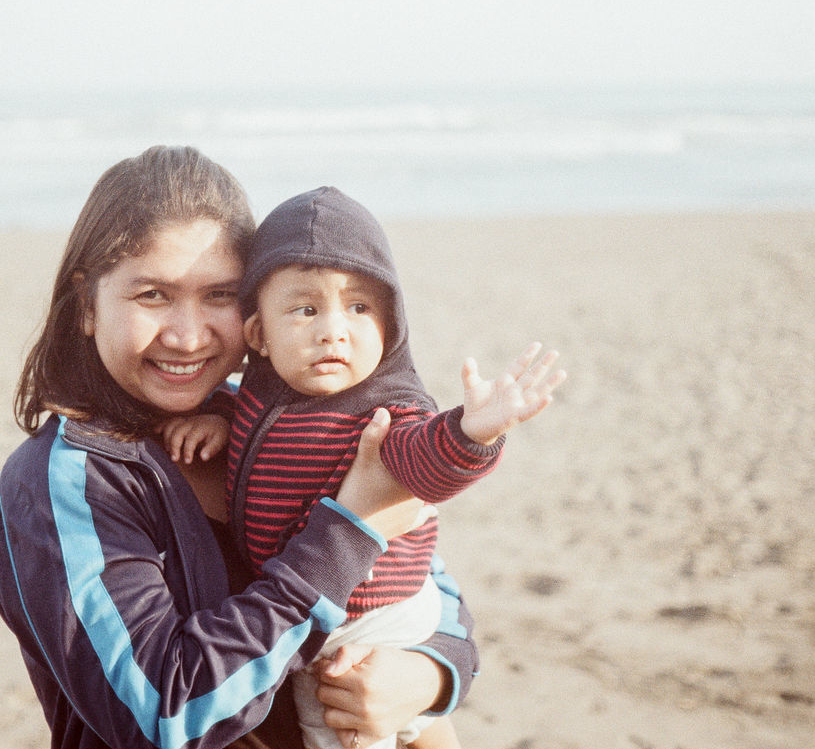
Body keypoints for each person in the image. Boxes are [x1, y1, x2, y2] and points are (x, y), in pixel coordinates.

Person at [0, 148, 480, 749]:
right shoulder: (66, 479)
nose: (189, 335)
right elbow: (166, 713)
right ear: (88, 304)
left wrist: (426, 676)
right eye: (152, 295)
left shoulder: (287, 420)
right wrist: (347, 530)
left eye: (219, 296)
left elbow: (431, 590)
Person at [161, 187, 566, 749]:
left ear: (390, 322)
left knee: (343, 728)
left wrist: (475, 431)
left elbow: (425, 461)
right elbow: (260, 425)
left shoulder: (383, 415)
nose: (334, 329)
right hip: (328, 604)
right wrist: (220, 419)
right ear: (258, 335)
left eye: (359, 307)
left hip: (369, 616)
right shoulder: (262, 393)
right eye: (306, 309)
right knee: (418, 728)